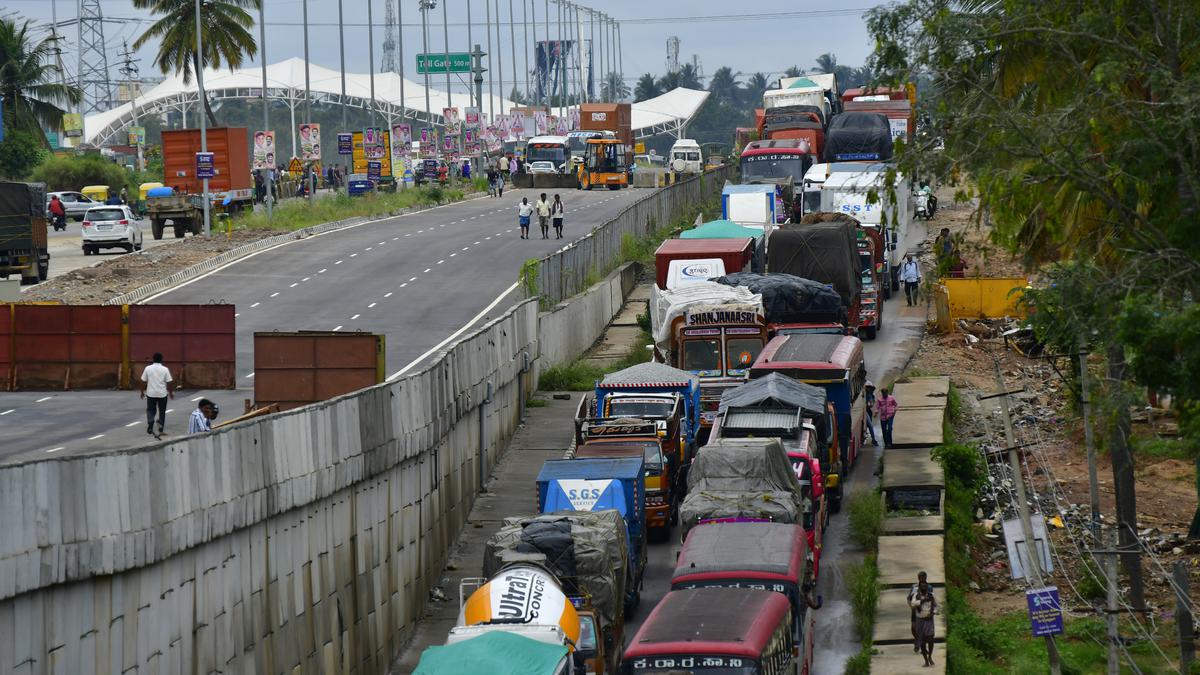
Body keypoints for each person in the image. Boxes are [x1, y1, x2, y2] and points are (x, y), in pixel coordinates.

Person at [139, 353, 174, 439]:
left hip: (151, 394)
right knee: (162, 411)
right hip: (162, 394)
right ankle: (161, 428)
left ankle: (150, 424)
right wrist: (170, 393)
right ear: (162, 359)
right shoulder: (165, 369)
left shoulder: (148, 368)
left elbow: (143, 381)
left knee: (151, 409)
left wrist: (142, 392)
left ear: (153, 359)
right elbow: (169, 382)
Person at [909, 578, 937, 666]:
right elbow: (913, 604)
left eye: (925, 586)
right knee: (922, 641)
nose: (924, 588)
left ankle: (930, 656)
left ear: (927, 587)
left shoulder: (931, 595)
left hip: (929, 620)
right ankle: (926, 661)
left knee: (931, 639)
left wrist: (933, 613)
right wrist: (923, 600)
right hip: (920, 620)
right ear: (919, 587)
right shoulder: (916, 595)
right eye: (922, 586)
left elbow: (937, 606)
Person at [906, 570, 928, 652]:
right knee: (913, 627)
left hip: (924, 610)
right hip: (915, 610)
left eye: (924, 578)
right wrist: (911, 605)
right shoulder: (914, 587)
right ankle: (918, 640)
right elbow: (908, 598)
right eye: (921, 578)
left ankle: (921, 645)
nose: (923, 579)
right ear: (918, 578)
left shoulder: (929, 587)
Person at [864, 380, 879, 446]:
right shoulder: (864, 393)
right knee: (870, 425)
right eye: (867, 387)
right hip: (864, 411)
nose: (868, 389)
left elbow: (871, 404)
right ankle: (873, 439)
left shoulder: (870, 395)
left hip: (866, 411)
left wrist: (869, 404)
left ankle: (873, 439)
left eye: (869, 388)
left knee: (870, 425)